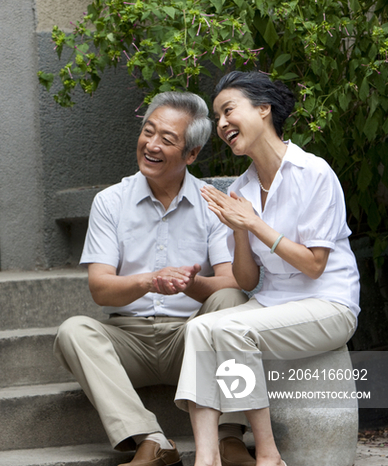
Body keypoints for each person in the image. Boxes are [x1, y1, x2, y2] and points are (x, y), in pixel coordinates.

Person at [54, 91, 253, 466]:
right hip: (130, 338)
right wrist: (150, 281)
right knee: (74, 331)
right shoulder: (111, 201)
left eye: (167, 139)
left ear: (191, 154)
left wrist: (188, 285)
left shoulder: (213, 204)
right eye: (148, 132)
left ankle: (229, 436)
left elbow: (233, 281)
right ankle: (152, 439)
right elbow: (100, 289)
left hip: (191, 339)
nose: (152, 144)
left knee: (232, 304)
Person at [174, 71, 360, 466]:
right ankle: (207, 458)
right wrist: (240, 232)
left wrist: (254, 224)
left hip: (329, 304)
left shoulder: (314, 173)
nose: (222, 125)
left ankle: (269, 454)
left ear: (263, 109)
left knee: (230, 328)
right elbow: (248, 281)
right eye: (218, 118)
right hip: (274, 304)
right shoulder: (240, 189)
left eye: (229, 111)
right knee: (200, 329)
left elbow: (314, 265)